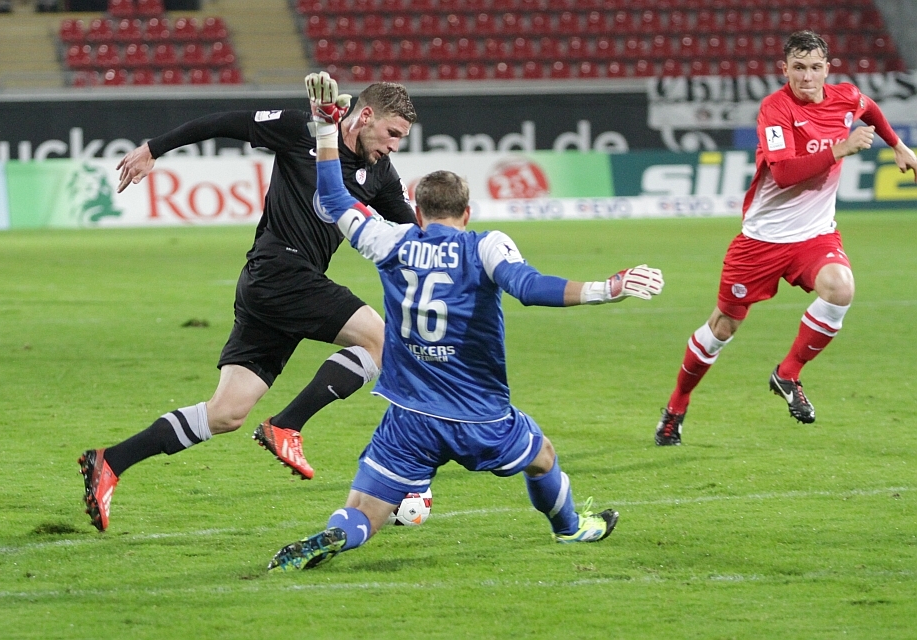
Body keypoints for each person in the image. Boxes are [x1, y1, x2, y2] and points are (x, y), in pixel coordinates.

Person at [267, 73, 665, 571]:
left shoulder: (391, 241)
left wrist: (326, 129)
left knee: (364, 510)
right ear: (467, 212)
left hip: (409, 415)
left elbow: (331, 199)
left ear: (417, 211)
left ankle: (336, 534)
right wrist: (607, 288)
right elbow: (529, 287)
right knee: (542, 455)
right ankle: (570, 528)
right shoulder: (486, 246)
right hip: (480, 414)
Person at [78, 81, 418, 532]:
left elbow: (414, 233)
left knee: (226, 413)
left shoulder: (381, 174)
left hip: (275, 288)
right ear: (367, 116)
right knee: (381, 340)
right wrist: (153, 149)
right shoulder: (303, 130)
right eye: (393, 134)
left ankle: (110, 462)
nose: (394, 146)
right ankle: (287, 425)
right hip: (280, 272)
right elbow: (224, 122)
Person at [654, 30, 917, 446]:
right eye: (798, 68)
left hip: (814, 236)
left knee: (840, 288)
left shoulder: (845, 97)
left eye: (815, 67)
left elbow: (869, 108)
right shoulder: (775, 108)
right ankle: (676, 405)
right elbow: (783, 173)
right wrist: (840, 150)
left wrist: (898, 145)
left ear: (827, 69)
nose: (807, 77)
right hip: (761, 241)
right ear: (785, 69)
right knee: (722, 327)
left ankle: (788, 373)